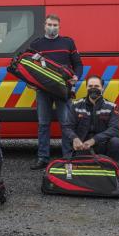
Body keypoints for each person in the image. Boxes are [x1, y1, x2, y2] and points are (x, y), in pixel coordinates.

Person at [29, 14, 83, 170]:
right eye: (49, 24)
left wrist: (76, 77)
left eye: (55, 25)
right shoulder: (36, 44)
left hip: (63, 90)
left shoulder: (68, 42)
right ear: (44, 25)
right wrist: (30, 83)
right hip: (43, 91)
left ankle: (67, 157)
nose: (52, 27)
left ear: (59, 26)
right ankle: (43, 158)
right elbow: (30, 67)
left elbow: (78, 64)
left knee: (66, 124)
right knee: (43, 125)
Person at [62, 76, 119, 161]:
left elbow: (114, 130)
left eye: (96, 86)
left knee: (116, 143)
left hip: (103, 144)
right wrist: (74, 138)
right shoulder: (76, 105)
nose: (93, 89)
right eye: (90, 86)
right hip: (82, 145)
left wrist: (94, 140)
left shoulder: (112, 107)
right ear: (86, 88)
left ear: (102, 88)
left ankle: (110, 169)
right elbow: (67, 127)